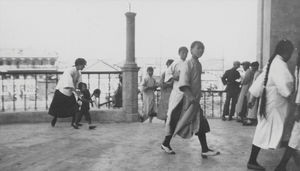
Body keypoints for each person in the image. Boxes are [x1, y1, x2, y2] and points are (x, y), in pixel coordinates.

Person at [161, 41, 220, 158]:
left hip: (194, 100)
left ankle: (204, 149)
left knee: (199, 122)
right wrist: (191, 97)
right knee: (178, 121)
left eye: (202, 49)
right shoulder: (187, 64)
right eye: (198, 48)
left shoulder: (198, 64)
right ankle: (166, 143)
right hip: (187, 100)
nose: (201, 50)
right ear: (191, 49)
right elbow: (183, 83)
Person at [246, 40, 294, 170]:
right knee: (279, 131)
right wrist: (293, 97)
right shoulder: (280, 64)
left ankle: (254, 160)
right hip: (275, 105)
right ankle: (252, 161)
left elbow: (261, 80)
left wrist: (253, 97)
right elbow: (285, 86)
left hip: (268, 103)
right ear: (286, 52)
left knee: (267, 130)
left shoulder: (272, 62)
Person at [275, 49, 300, 171]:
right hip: (299, 106)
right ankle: (281, 165)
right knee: (295, 137)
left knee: (295, 137)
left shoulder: (297, 67)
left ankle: (282, 165)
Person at [48, 58, 86, 129]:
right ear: (79, 65)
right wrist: (77, 93)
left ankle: (74, 123)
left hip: (70, 93)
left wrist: (80, 91)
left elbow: (79, 84)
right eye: (83, 65)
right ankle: (54, 119)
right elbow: (69, 84)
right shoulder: (69, 71)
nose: (84, 67)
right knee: (57, 108)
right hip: (61, 91)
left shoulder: (79, 73)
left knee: (75, 108)